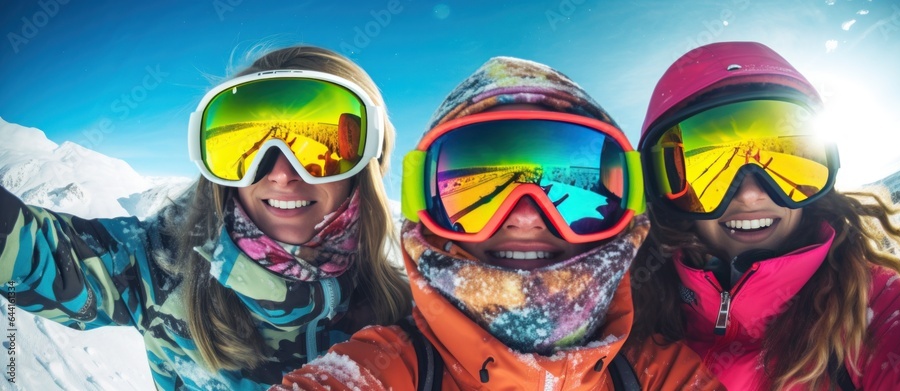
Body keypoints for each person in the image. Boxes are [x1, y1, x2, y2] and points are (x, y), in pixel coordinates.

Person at [273, 57, 723, 390]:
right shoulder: (390, 365)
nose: (526, 218)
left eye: (552, 184)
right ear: (425, 211)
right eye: (487, 191)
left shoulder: (660, 374)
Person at [0, 46, 412, 390]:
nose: (282, 173)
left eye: (316, 149)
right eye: (247, 148)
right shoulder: (161, 269)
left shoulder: (409, 313)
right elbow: (35, 254)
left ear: (368, 164)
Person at [629, 41, 900, 390]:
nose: (752, 192)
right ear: (661, 192)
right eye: (710, 167)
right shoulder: (626, 330)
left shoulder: (874, 318)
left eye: (780, 160)